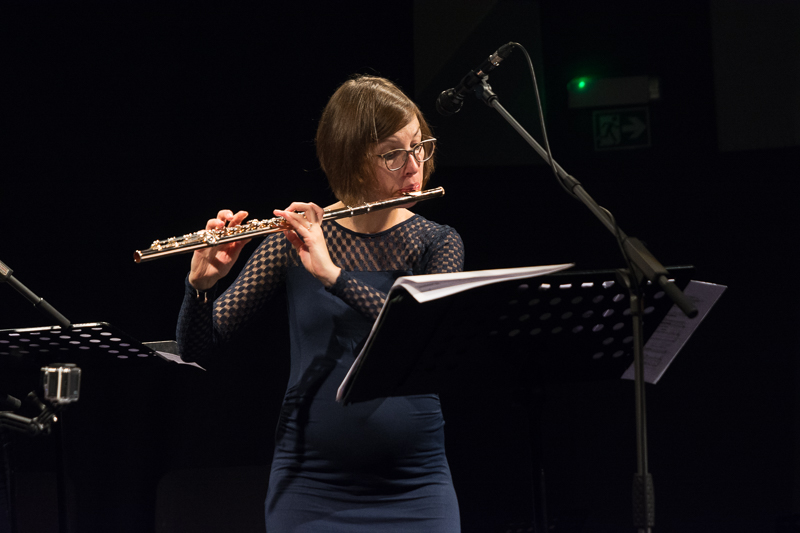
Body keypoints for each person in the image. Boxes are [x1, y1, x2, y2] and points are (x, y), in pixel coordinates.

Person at [176, 75, 465, 532]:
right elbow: (197, 348)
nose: (414, 166)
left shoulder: (437, 242)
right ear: (353, 161)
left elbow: (421, 329)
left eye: (419, 146)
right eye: (392, 154)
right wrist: (200, 287)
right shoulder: (293, 241)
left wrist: (333, 275)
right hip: (311, 485)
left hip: (416, 484)